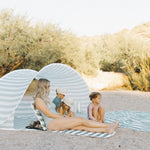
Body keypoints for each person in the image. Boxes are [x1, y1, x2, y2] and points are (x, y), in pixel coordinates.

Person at [34, 78, 119, 134]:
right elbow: (48, 114)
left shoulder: (45, 98)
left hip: (56, 119)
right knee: (81, 120)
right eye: (48, 86)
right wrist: (62, 117)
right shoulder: (38, 100)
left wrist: (62, 116)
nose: (49, 88)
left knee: (81, 126)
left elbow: (52, 111)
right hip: (51, 123)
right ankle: (108, 125)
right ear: (43, 87)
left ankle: (106, 130)